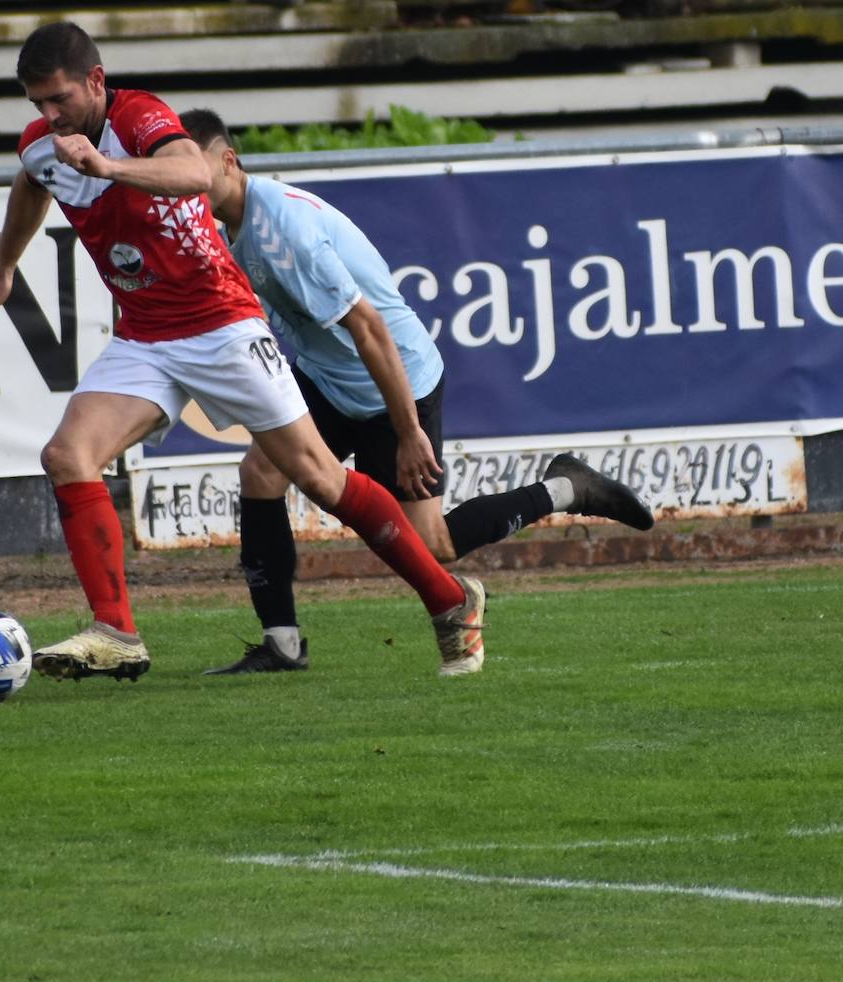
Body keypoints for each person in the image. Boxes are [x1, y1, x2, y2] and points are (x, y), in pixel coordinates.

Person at [0, 22, 487, 680]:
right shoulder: (45, 146)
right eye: (37, 103)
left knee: (321, 478)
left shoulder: (140, 117)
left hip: (221, 324)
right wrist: (3, 269)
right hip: (146, 335)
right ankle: (117, 631)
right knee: (68, 455)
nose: (49, 115)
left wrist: (109, 167)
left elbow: (189, 169)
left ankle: (449, 601)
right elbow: (31, 184)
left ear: (96, 82)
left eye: (59, 99)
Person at [179, 108, 655, 675]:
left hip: (394, 384)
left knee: (434, 546)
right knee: (261, 473)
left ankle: (567, 488)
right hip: (329, 381)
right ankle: (281, 643)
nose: (183, 180)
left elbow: (371, 329)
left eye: (193, 165)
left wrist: (407, 432)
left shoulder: (285, 231)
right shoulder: (218, 227)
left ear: (227, 160)